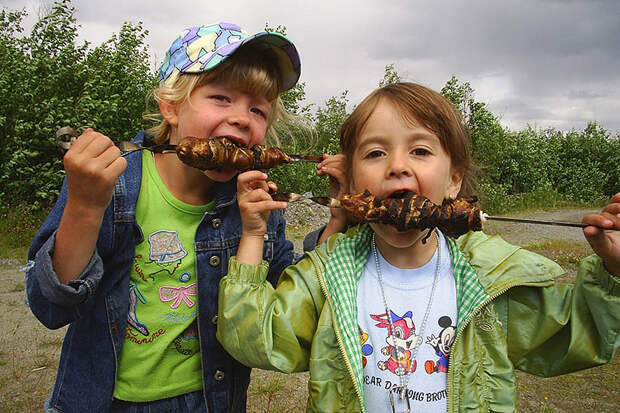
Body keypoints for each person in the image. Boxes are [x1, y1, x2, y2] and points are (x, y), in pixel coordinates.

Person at [216, 82, 620, 412]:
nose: (397, 165)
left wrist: (614, 270)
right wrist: (253, 235)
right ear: (354, 185)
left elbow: (580, 334)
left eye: (421, 151)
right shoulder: (328, 273)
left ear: (454, 180)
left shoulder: (490, 278)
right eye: (375, 153)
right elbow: (254, 336)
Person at [25, 22, 315, 413]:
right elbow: (51, 306)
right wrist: (86, 205)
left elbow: (286, 283)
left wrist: (339, 219)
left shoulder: (255, 197)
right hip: (107, 401)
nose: (243, 118)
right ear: (171, 106)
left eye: (258, 109)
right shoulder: (111, 181)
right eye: (222, 98)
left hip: (213, 400)